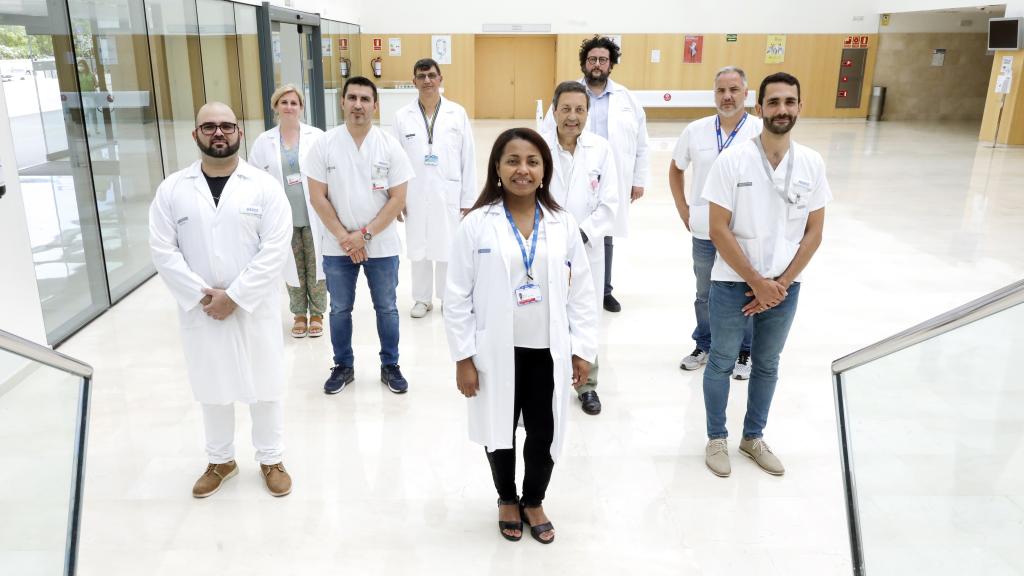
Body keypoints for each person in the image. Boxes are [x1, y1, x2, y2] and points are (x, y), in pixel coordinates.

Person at [445, 128, 597, 544]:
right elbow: (456, 295)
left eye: (532, 161)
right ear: (496, 168)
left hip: (548, 350)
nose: (522, 170)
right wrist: (463, 357)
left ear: (545, 169)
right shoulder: (476, 224)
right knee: (500, 427)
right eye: (512, 160)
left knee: (544, 431)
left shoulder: (563, 223)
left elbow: (582, 289)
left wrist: (583, 349)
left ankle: (534, 499)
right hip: (496, 350)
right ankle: (507, 498)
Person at [149, 102, 294, 498]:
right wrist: (204, 297)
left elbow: (276, 248)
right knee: (211, 385)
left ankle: (271, 458)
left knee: (265, 383)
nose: (219, 133)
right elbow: (163, 251)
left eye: (227, 126)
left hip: (252, 306)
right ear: (195, 134)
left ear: (239, 134)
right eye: (209, 126)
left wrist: (236, 296)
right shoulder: (173, 189)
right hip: (202, 309)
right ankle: (220, 459)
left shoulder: (264, 187)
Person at [700, 73, 831, 478]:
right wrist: (757, 282)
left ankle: (752, 437)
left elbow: (814, 232)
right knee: (721, 360)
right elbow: (718, 228)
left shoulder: (811, 162)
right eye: (773, 102)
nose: (782, 110)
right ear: (760, 108)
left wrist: (781, 284)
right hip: (731, 282)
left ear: (800, 107)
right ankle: (717, 438)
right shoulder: (733, 161)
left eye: (789, 102)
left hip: (784, 286)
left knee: (768, 364)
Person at [305, 76, 414, 395]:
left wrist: (363, 236)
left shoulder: (390, 146)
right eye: (352, 98)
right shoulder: (324, 145)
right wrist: (345, 237)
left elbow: (398, 198)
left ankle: (390, 365)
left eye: (365, 99)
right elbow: (317, 197)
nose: (358, 104)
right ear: (342, 102)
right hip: (338, 246)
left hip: (380, 244)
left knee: (387, 308)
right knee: (339, 308)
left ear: (375, 105)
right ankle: (343, 365)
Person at [670, 67, 762, 380]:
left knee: (746, 291)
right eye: (721, 90)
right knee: (704, 292)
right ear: (714, 94)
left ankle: (744, 351)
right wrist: (684, 208)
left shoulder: (759, 132)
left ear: (745, 94)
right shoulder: (696, 131)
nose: (727, 96)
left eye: (734, 90)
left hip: (744, 234)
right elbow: (675, 168)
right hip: (705, 230)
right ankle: (704, 344)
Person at [545, 35, 649, 313]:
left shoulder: (627, 99)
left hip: (609, 173)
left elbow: (641, 142)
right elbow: (546, 134)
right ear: (584, 63)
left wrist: (638, 180)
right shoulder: (567, 93)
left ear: (611, 64)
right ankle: (561, 286)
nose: (598, 64)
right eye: (592, 59)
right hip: (573, 165)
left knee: (603, 234)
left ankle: (603, 290)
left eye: (603, 59)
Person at [541, 81, 617, 416]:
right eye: (566, 109)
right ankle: (546, 381)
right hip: (543, 245)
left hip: (587, 248)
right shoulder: (538, 146)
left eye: (580, 110)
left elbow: (609, 204)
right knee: (544, 313)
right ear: (554, 111)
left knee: (585, 314)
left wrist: (579, 237)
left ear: (588, 113)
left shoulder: (600, 149)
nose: (573, 117)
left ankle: (587, 384)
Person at [392, 58, 476, 318]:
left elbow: (468, 157)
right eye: (421, 76)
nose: (427, 80)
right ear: (414, 81)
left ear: (440, 79)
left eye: (431, 75)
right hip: (414, 194)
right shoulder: (401, 117)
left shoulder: (456, 113)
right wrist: (396, 198)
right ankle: (421, 299)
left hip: (448, 191)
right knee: (418, 247)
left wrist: (468, 198)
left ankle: (448, 298)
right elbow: (395, 160)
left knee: (448, 246)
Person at [249, 84, 326, 338]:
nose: (290, 107)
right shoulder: (264, 142)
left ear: (301, 107)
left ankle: (317, 313)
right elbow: (254, 181)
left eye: (294, 103)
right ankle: (298, 314)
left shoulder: (317, 136)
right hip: (282, 217)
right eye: (284, 103)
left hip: (314, 213)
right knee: (292, 266)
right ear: (276, 107)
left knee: (316, 264)